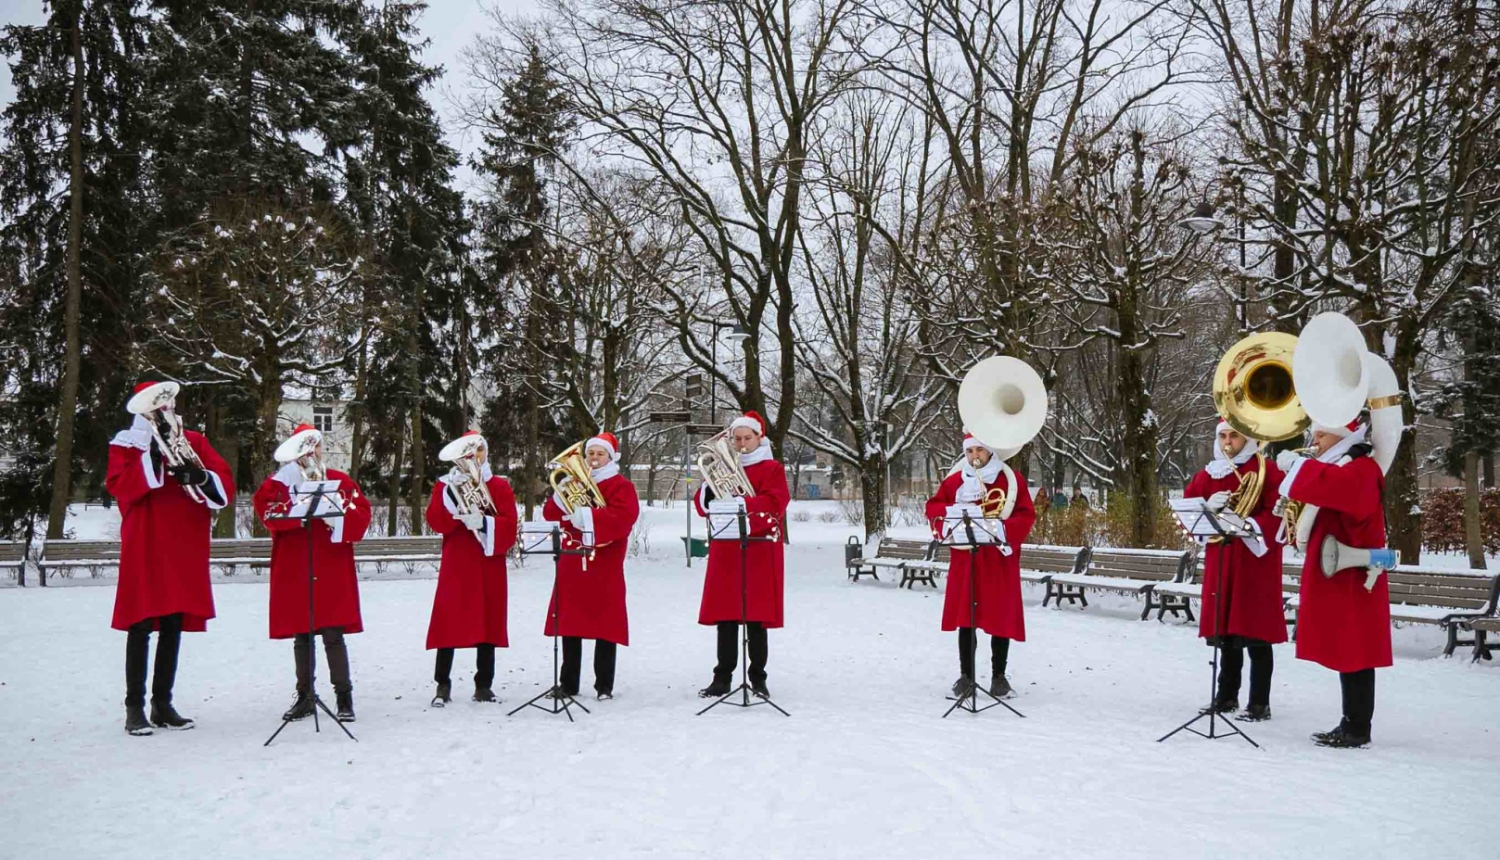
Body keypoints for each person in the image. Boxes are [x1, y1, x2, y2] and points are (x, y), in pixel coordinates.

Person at [106, 381, 234, 736]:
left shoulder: (194, 440)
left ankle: (163, 703)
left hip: (184, 540)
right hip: (146, 537)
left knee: (174, 621)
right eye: (155, 405)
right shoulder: (126, 443)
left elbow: (223, 480)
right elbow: (119, 485)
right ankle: (134, 708)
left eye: (166, 403)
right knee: (141, 621)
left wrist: (202, 477)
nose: (162, 409)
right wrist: (153, 460)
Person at [1277, 417, 1391, 748]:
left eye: (1323, 433)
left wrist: (1299, 468)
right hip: (1338, 571)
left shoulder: (1360, 468)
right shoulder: (1343, 466)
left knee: (1356, 652)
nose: (1315, 438)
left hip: (1353, 575)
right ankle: (1350, 721)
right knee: (1348, 652)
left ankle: (1357, 727)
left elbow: (1339, 490)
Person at [254, 423, 371, 723]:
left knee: (334, 634)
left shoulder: (339, 480)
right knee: (302, 635)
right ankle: (305, 696)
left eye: (315, 446)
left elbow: (361, 513)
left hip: (330, 564)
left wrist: (337, 518)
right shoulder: (278, 484)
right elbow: (266, 512)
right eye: (304, 447)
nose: (311, 453)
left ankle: (344, 697)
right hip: (297, 564)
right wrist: (296, 512)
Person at [1183, 421, 1287, 721]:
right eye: (1223, 436)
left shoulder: (1266, 470)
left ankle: (1259, 702)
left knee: (1256, 633)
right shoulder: (1210, 472)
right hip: (1221, 559)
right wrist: (1206, 507)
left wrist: (1245, 523)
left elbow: (1279, 513)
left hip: (1255, 561)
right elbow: (1189, 509)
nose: (1228, 442)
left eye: (1235, 436)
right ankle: (1226, 696)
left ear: (1248, 438)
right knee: (1225, 630)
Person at [924, 433, 1036, 698]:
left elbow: (1025, 514)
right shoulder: (955, 480)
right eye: (970, 450)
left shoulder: (1009, 480)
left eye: (979, 450)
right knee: (966, 618)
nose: (974, 455)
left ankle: (999, 677)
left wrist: (1003, 529)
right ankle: (966, 676)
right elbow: (934, 507)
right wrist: (947, 518)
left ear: (989, 452)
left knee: (1000, 617)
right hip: (967, 559)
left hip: (998, 558)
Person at [694, 411, 790, 699]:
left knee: (756, 618)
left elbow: (776, 501)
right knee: (726, 617)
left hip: (760, 548)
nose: (742, 443)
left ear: (760, 438)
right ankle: (722, 677)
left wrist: (744, 503)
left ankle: (758, 678)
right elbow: (703, 505)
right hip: (727, 549)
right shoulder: (722, 466)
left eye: (748, 438)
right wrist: (710, 494)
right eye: (736, 438)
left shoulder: (772, 468)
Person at [542, 431, 641, 700]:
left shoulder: (621, 486)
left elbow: (624, 518)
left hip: (604, 562)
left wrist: (587, 516)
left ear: (611, 457)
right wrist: (561, 499)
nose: (594, 459)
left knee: (605, 626)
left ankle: (604, 685)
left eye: (600, 454)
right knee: (570, 626)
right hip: (572, 561)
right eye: (590, 454)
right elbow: (550, 514)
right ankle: (568, 683)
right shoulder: (573, 483)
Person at [425, 431, 518, 706]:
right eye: (468, 453)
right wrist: (454, 506)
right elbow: (436, 522)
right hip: (457, 560)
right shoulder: (445, 486)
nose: (473, 457)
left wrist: (485, 523)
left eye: (478, 451)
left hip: (488, 561)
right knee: (448, 620)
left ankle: (484, 685)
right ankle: (442, 684)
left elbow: (510, 525)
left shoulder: (499, 486)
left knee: (488, 620)